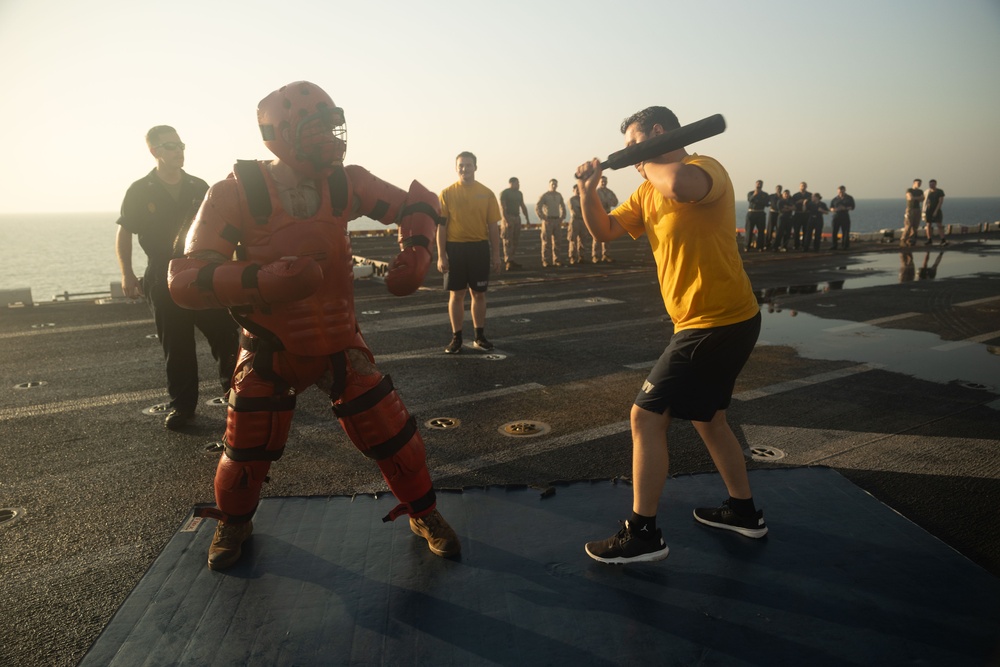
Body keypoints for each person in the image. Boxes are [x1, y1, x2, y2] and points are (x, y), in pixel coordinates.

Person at [167, 81, 460, 569]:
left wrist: (418, 249)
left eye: (330, 124)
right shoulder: (236, 192)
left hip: (340, 340)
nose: (328, 137)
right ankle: (233, 522)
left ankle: (423, 512)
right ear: (281, 133)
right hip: (268, 346)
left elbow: (420, 202)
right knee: (245, 453)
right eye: (315, 127)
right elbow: (185, 278)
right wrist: (262, 280)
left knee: (395, 438)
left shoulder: (344, 182)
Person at [575, 106, 764, 564]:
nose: (632, 157)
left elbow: (679, 185)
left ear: (658, 134)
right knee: (709, 419)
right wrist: (587, 191)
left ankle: (643, 535)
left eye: (636, 145)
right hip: (708, 322)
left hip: (716, 321)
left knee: (645, 416)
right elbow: (604, 230)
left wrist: (644, 161)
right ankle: (744, 513)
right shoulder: (644, 191)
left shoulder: (703, 168)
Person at [116, 126, 238, 430]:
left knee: (225, 336)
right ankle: (182, 408)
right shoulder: (140, 190)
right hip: (161, 274)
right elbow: (125, 231)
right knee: (177, 346)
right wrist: (127, 273)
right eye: (170, 146)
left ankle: (239, 397)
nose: (178, 151)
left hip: (201, 271)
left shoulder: (200, 186)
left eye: (180, 145)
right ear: (154, 151)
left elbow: (223, 228)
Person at [438, 151, 503, 353]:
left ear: (476, 167)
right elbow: (441, 227)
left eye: (468, 165)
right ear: (456, 168)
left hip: (479, 248)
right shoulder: (446, 194)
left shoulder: (487, 193)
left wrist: (496, 255)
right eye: (461, 165)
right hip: (455, 249)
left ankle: (479, 336)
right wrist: (441, 255)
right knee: (456, 295)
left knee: (479, 294)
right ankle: (456, 338)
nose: (464, 169)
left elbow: (493, 227)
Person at [499, 177, 530, 270]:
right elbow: (503, 208)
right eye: (517, 183)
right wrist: (507, 220)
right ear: (511, 183)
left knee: (515, 240)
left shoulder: (519, 194)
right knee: (508, 241)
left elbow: (523, 206)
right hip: (508, 217)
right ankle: (508, 261)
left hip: (517, 217)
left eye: (518, 183)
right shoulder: (505, 193)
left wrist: (527, 218)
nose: (518, 185)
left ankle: (512, 259)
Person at [535, 179, 566, 267]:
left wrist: (562, 217)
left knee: (557, 242)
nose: (554, 186)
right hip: (548, 220)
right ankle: (546, 261)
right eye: (552, 184)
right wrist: (543, 218)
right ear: (549, 185)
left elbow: (563, 206)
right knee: (546, 242)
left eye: (555, 184)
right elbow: (538, 207)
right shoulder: (545, 195)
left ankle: (557, 260)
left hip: (557, 220)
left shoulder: (559, 195)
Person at [594, 176, 619, 262]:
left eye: (605, 181)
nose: (603, 183)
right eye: (602, 181)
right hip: (598, 214)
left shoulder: (609, 192)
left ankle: (606, 255)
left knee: (607, 235)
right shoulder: (596, 192)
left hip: (607, 214)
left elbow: (615, 202)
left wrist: (609, 202)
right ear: (599, 182)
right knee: (597, 236)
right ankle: (596, 256)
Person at [567, 183, 592, 264]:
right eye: (576, 190)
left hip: (583, 221)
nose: (578, 191)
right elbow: (575, 210)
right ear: (573, 190)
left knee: (583, 239)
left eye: (579, 190)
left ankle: (582, 256)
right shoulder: (571, 200)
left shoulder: (584, 199)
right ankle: (573, 257)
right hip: (575, 221)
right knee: (573, 239)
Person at [829, 185, 856, 250]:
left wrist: (845, 208)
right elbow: (830, 207)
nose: (840, 192)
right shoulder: (834, 199)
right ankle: (834, 245)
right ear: (837, 191)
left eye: (842, 191)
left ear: (844, 190)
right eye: (839, 191)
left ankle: (845, 246)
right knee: (834, 231)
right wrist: (833, 209)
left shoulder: (849, 198)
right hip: (836, 216)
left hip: (845, 215)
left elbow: (852, 207)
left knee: (845, 231)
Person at [745, 180, 769, 252]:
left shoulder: (765, 194)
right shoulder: (751, 193)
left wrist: (758, 201)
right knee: (749, 230)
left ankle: (760, 246)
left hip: (760, 213)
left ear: (762, 185)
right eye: (758, 183)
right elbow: (749, 199)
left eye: (760, 184)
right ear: (755, 184)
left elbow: (766, 203)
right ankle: (747, 246)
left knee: (761, 231)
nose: (759, 185)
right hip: (751, 213)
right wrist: (754, 195)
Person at [923, 179, 947, 246]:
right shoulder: (927, 192)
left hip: (936, 210)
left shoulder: (939, 191)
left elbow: (940, 202)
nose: (931, 185)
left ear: (935, 184)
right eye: (930, 184)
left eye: (933, 184)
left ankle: (943, 239)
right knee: (928, 225)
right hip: (928, 210)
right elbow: (925, 201)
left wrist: (936, 211)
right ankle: (929, 239)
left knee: (939, 225)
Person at [902, 179, 924, 247]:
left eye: (920, 183)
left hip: (917, 209)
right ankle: (903, 240)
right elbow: (910, 198)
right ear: (914, 183)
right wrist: (918, 198)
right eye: (918, 183)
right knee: (908, 225)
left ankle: (911, 240)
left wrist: (915, 198)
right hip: (910, 209)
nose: (919, 184)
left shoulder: (920, 191)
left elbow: (922, 199)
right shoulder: (909, 190)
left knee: (915, 226)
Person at [790, 181, 811, 251]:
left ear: (806, 187)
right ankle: (796, 245)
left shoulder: (809, 195)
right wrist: (798, 202)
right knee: (796, 230)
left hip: (806, 214)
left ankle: (805, 245)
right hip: (798, 214)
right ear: (799, 187)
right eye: (802, 186)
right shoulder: (795, 195)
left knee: (806, 230)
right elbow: (792, 204)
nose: (803, 187)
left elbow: (812, 204)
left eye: (804, 186)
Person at [765, 183, 783, 251]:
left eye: (780, 188)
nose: (779, 190)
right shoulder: (771, 196)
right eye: (778, 188)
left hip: (779, 214)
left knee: (779, 229)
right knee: (770, 229)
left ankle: (777, 244)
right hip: (772, 213)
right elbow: (765, 202)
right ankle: (767, 244)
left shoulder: (782, 196)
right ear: (776, 189)